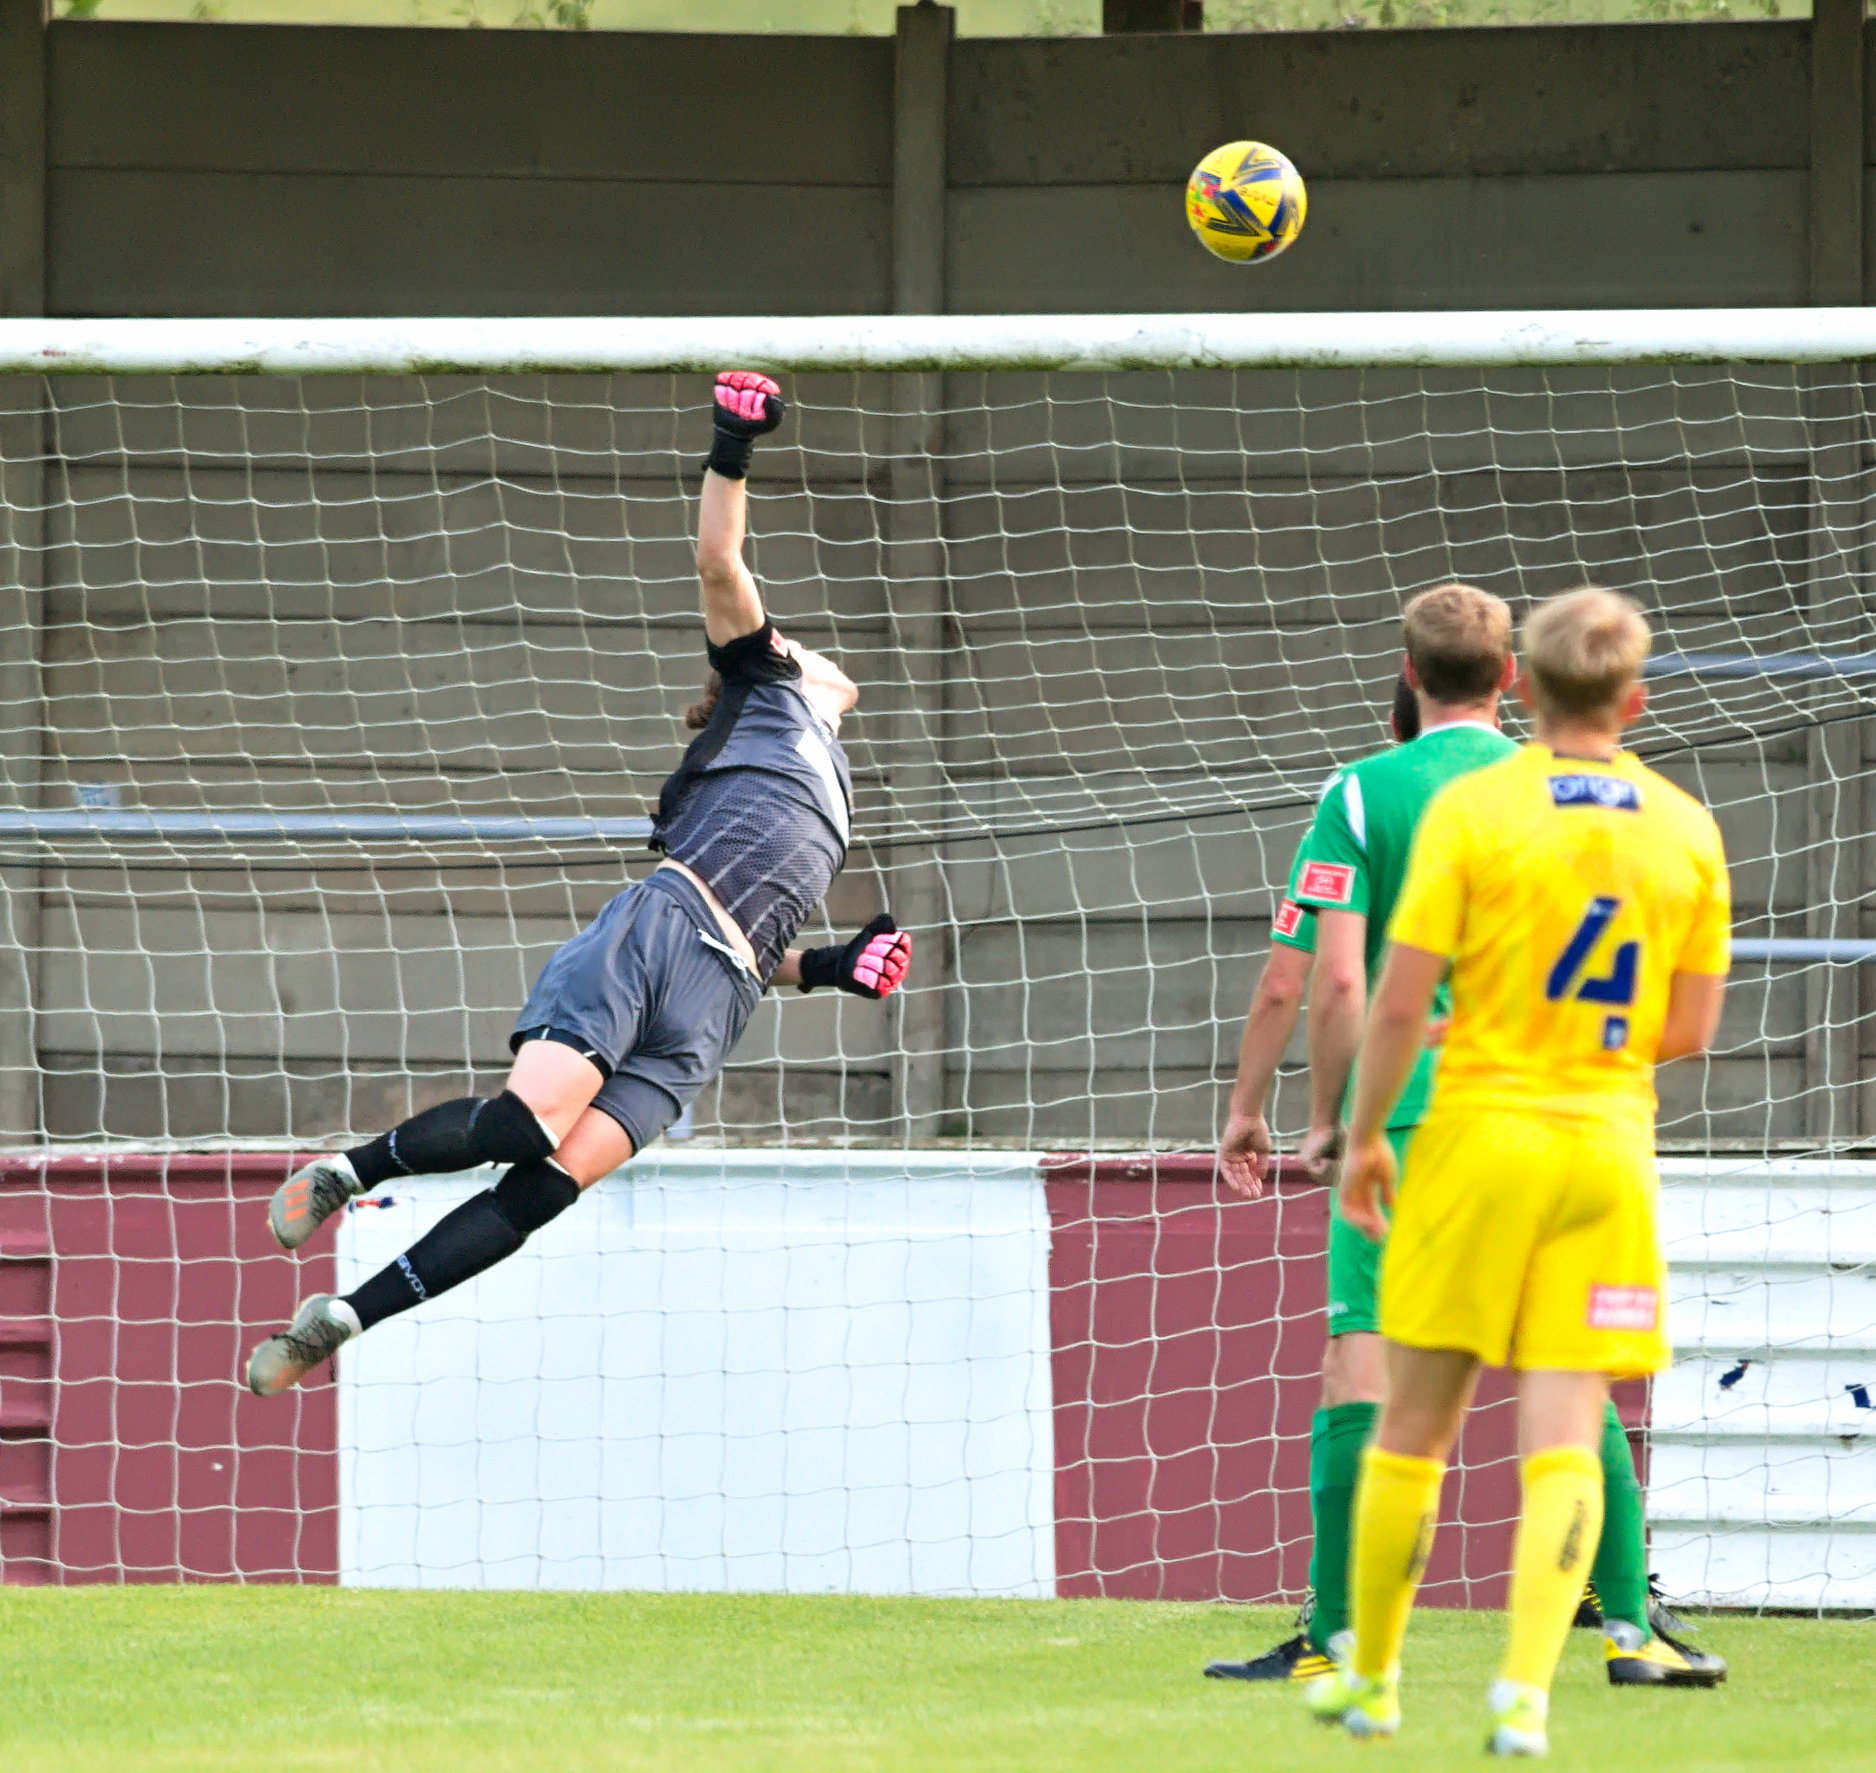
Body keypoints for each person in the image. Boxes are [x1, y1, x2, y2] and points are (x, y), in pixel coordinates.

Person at [246, 372, 913, 1397]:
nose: (819, 650)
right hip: (662, 930)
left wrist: (829, 966)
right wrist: (732, 446)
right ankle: (352, 1170)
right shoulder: (770, 689)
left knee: (548, 1187)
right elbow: (717, 559)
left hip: (719, 1000)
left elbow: (759, 943)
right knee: (525, 1127)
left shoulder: (829, 774)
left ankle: (340, 1319)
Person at [1208, 588, 1721, 1689]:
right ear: (1507, 679)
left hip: (1409, 1123)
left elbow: (1320, 980)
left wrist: (1279, 1114)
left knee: (1364, 1365)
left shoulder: (1363, 792)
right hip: (1565, 1114)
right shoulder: (1584, 805)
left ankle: (1336, 1639)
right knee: (1571, 1376)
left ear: (1406, 671)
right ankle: (1629, 1625)